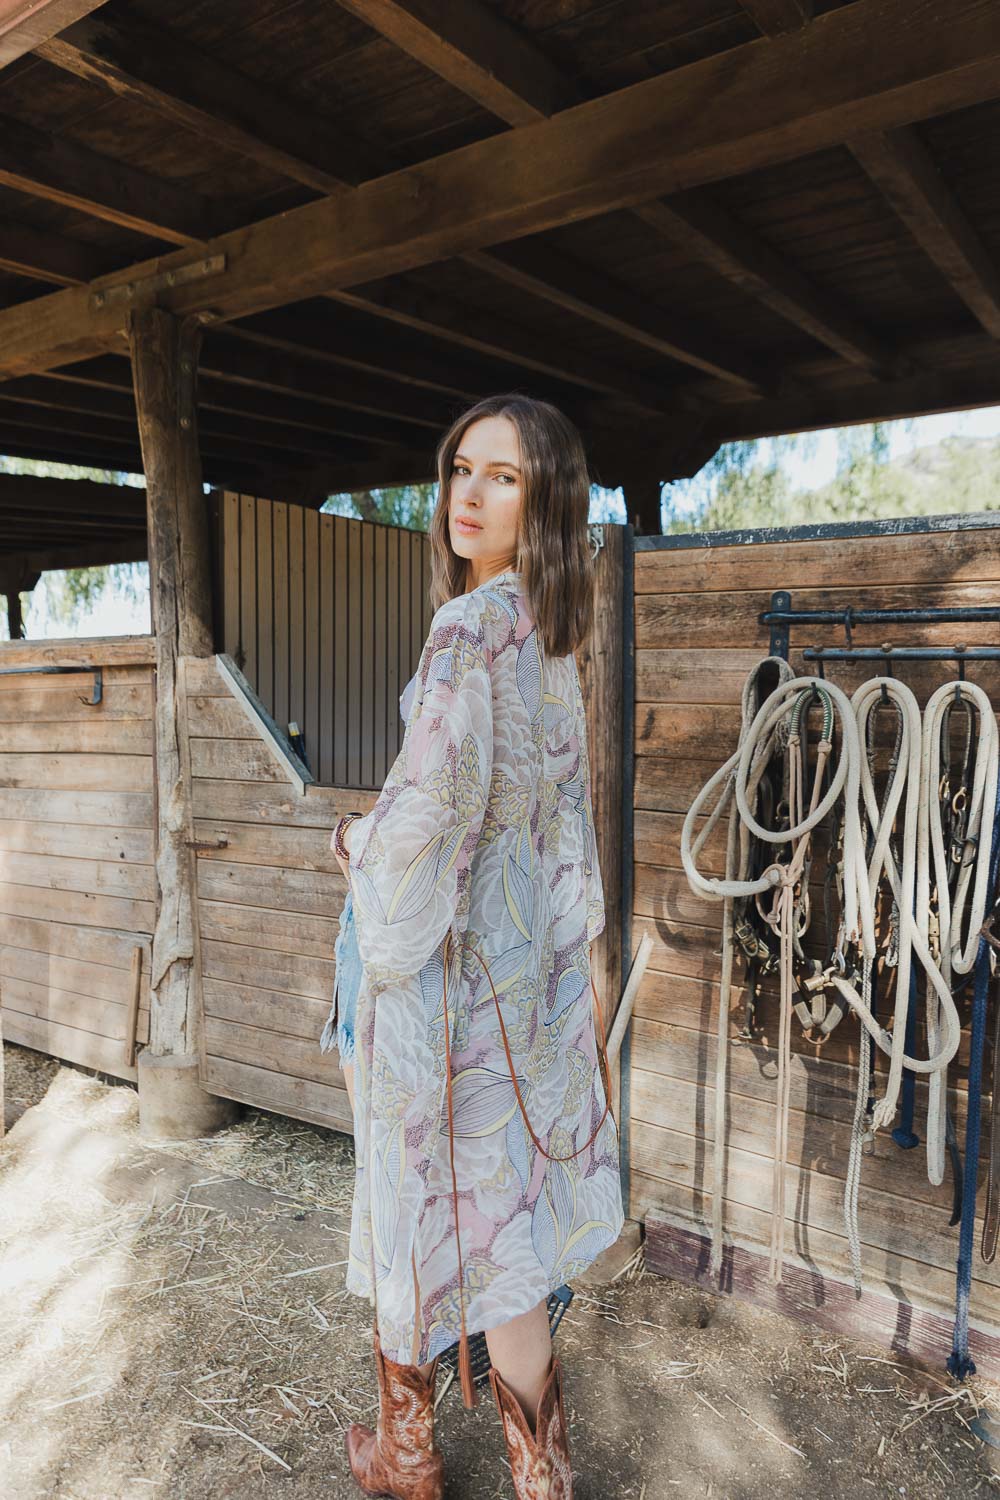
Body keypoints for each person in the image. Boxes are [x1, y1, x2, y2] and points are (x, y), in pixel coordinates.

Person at [323, 392, 625, 1499]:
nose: (469, 493)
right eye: (461, 468)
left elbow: (428, 804)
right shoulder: (549, 636)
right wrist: (568, 967)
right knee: (507, 1236)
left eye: (502, 476)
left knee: (410, 1206)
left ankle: (408, 1457)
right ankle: (539, 1478)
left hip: (442, 992)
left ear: (541, 498)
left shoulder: (466, 628)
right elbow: (560, 830)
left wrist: (358, 840)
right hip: (521, 988)